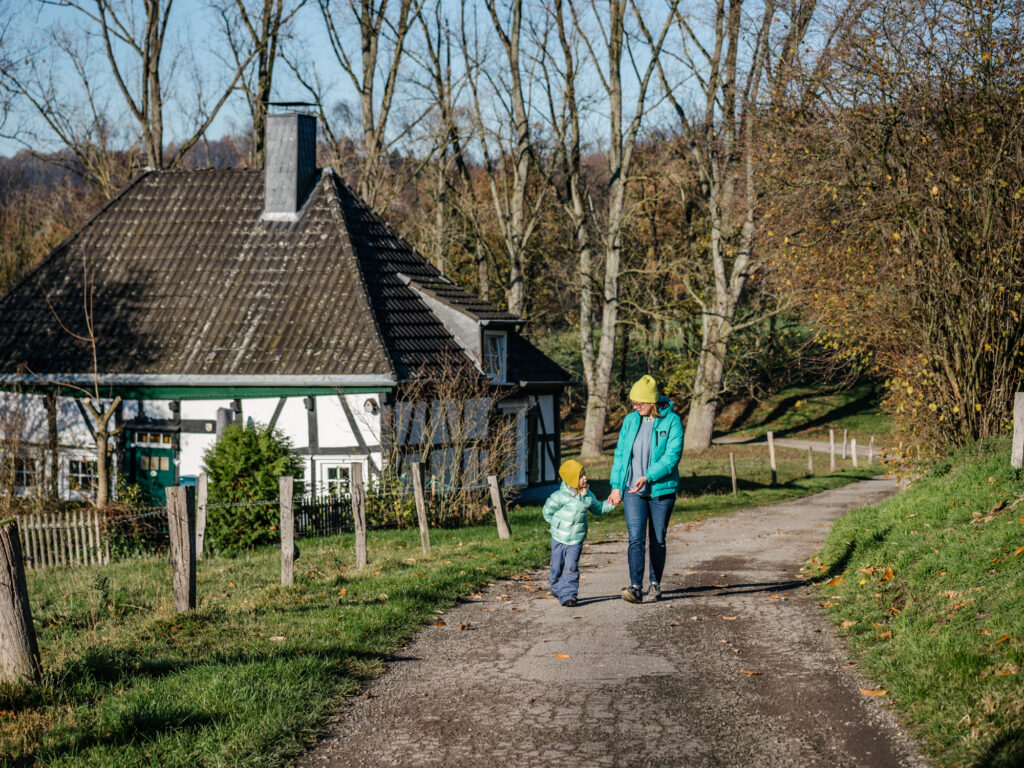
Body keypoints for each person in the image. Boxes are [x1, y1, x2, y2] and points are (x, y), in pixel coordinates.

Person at [608, 375, 684, 603]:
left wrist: (648, 476)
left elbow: (672, 457)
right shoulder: (631, 421)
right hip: (633, 491)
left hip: (661, 491)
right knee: (635, 539)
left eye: (639, 403)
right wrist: (616, 487)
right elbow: (621, 455)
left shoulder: (672, 422)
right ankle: (634, 586)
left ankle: (654, 584)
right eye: (633, 403)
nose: (635, 407)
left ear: (652, 402)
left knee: (657, 539)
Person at [543, 459, 615, 607]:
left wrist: (611, 503)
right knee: (557, 566)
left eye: (585, 474)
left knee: (571, 567)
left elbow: (598, 508)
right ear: (571, 479)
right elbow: (547, 511)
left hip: (576, 540)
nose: (585, 478)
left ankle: (568, 595)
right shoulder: (560, 496)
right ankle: (557, 587)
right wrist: (556, 525)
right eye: (581, 476)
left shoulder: (587, 496)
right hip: (558, 538)